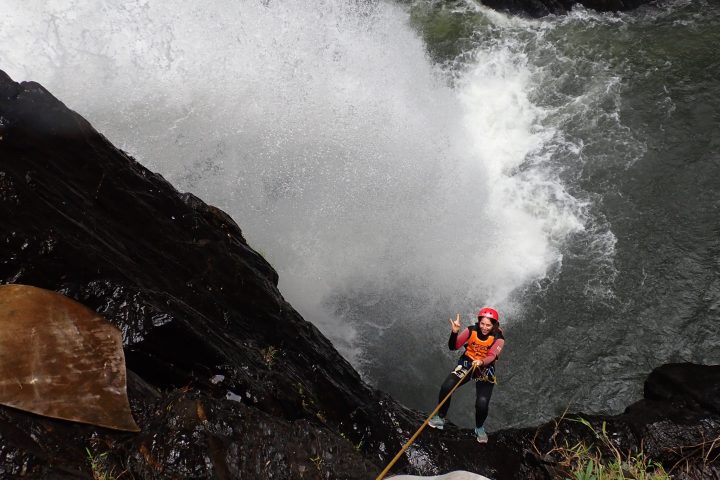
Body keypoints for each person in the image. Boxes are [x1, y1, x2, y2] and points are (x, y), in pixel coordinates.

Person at [428, 307, 505, 443]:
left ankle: (479, 428)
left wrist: (481, 362)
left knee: (482, 403)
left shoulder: (499, 339)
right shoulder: (471, 330)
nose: (484, 327)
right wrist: (454, 332)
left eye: (488, 325)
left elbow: (492, 356)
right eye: (482, 323)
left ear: (494, 325)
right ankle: (440, 418)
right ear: (479, 322)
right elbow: (453, 346)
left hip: (485, 368)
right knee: (447, 387)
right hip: (467, 363)